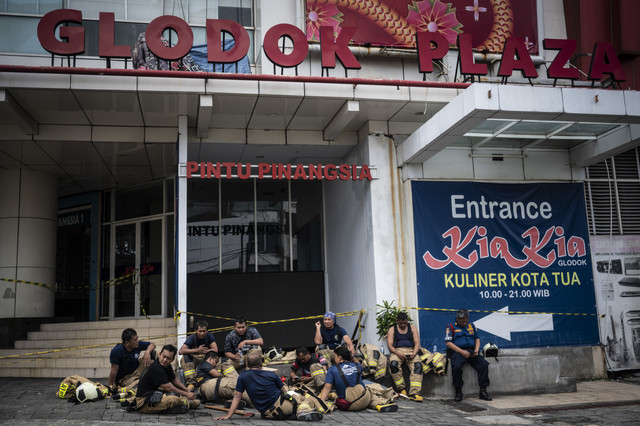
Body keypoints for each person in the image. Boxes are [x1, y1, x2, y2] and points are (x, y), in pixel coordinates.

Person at [215, 352, 324, 421]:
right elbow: (283, 391)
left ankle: (300, 410)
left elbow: (237, 397)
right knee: (305, 398)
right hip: (282, 407)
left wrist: (228, 415)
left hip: (267, 414)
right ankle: (302, 411)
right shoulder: (271, 374)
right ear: (262, 364)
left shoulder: (242, 376)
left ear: (247, 365)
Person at [319, 345, 398, 413]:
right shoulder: (357, 366)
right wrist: (352, 356)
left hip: (349, 405)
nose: (334, 359)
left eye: (335, 356)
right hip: (365, 400)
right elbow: (358, 363)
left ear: (339, 358)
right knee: (368, 390)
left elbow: (327, 387)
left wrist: (321, 403)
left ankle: (378, 404)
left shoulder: (333, 369)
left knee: (338, 397)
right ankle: (379, 404)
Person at [134, 344, 200, 414]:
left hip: (155, 395)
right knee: (173, 399)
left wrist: (187, 391)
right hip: (143, 402)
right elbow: (168, 388)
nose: (165, 360)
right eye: (163, 356)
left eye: (168, 358)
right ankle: (187, 404)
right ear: (159, 354)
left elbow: (174, 380)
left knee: (175, 395)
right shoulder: (156, 368)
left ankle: (181, 404)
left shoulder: (167, 366)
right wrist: (186, 394)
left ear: (172, 359)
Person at [445, 309, 492, 402]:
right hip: (458, 351)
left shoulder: (471, 325)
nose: (464, 323)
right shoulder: (450, 326)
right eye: (462, 321)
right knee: (456, 367)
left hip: (471, 351)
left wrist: (476, 350)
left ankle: (483, 391)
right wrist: (461, 352)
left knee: (484, 365)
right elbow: (448, 343)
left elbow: (477, 339)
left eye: (466, 321)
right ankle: (458, 392)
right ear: (457, 319)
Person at [386, 312, 423, 402]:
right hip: (397, 351)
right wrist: (398, 353)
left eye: (405, 323)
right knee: (393, 365)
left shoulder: (412, 328)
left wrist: (414, 353)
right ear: (397, 321)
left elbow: (417, 343)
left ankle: (414, 393)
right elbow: (390, 345)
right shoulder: (392, 329)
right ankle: (402, 389)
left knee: (418, 366)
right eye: (401, 323)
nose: (403, 325)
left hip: (411, 351)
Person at [179, 320, 218, 390]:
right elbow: (181, 351)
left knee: (215, 357)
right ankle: (191, 383)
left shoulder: (209, 336)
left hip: (205, 359)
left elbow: (215, 349)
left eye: (204, 331)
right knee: (185, 357)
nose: (202, 333)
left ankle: (216, 378)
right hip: (194, 359)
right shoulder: (192, 338)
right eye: (200, 331)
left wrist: (205, 351)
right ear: (196, 331)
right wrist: (197, 350)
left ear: (207, 331)